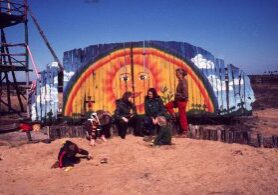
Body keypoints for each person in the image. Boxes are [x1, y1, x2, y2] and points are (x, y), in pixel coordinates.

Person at [165, 68, 189, 134]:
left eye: (177, 73)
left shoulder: (183, 82)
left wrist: (177, 94)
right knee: (168, 106)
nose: (176, 74)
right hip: (178, 100)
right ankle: (174, 116)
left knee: (182, 115)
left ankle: (185, 131)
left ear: (180, 74)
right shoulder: (181, 81)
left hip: (182, 101)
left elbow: (185, 95)